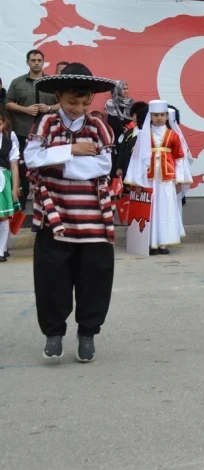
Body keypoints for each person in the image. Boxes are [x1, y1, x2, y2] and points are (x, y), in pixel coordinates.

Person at [23, 63, 116, 362]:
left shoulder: (100, 127)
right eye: (71, 102)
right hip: (56, 218)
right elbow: (31, 159)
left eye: (84, 103)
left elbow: (102, 166)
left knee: (95, 280)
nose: (78, 108)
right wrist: (73, 151)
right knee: (52, 281)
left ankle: (87, 333)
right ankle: (54, 333)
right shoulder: (45, 125)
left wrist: (56, 163)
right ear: (59, 96)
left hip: (93, 220)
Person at [124, 99, 192, 255]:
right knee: (150, 209)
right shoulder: (143, 135)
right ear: (151, 116)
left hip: (167, 179)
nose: (159, 118)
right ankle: (149, 241)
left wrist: (179, 179)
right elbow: (137, 159)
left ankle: (163, 242)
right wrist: (137, 181)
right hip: (148, 179)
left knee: (166, 208)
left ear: (167, 116)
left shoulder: (173, 136)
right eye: (156, 115)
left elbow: (179, 158)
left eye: (162, 115)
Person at [3, 49, 60, 210]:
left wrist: (49, 107)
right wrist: (25, 109)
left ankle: (49, 207)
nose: (36, 63)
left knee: (48, 169)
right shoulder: (17, 82)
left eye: (39, 60)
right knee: (22, 170)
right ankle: (19, 209)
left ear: (43, 62)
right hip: (23, 133)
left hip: (48, 134)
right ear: (27, 62)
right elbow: (8, 103)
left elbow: (62, 104)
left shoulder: (51, 82)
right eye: (33, 60)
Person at [0, 109, 21, 262]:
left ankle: (1, 250)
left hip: (3, 179)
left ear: (4, 123)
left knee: (4, 217)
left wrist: (15, 188)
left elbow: (14, 166)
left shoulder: (9, 141)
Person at [114, 101, 148, 183]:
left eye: (137, 115)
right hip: (128, 168)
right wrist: (119, 167)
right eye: (133, 115)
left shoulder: (150, 133)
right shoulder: (129, 133)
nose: (134, 118)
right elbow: (122, 151)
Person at [104, 80, 134, 145]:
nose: (126, 91)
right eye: (124, 89)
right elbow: (111, 121)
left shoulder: (130, 103)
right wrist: (123, 129)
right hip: (115, 135)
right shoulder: (110, 103)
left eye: (127, 89)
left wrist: (129, 129)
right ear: (117, 89)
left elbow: (134, 119)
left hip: (130, 134)